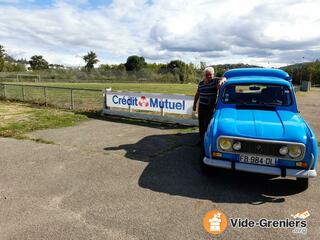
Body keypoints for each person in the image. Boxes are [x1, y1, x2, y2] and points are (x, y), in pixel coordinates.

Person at [193, 67, 225, 145]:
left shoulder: (214, 81)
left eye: (210, 75)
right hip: (201, 106)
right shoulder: (201, 83)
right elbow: (197, 94)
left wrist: (221, 81)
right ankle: (201, 139)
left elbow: (224, 78)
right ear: (204, 75)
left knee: (207, 125)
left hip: (210, 107)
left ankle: (206, 142)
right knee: (201, 124)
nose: (209, 76)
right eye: (207, 75)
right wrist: (194, 104)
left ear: (213, 74)